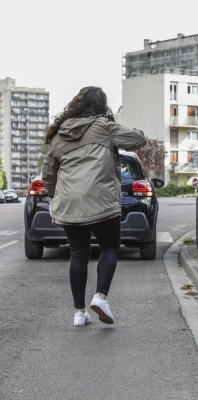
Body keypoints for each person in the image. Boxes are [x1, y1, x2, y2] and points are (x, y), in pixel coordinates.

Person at [41, 86, 147, 326]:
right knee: (110, 247)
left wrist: (55, 195)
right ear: (101, 106)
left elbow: (49, 173)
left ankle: (79, 313)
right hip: (101, 201)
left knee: (78, 254)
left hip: (70, 203)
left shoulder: (59, 136)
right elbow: (139, 138)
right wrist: (113, 126)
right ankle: (100, 297)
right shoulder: (104, 127)